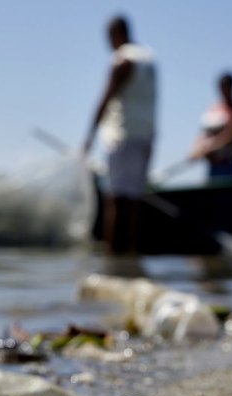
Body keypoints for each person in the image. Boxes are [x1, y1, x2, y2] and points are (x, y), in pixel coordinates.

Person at [83, 15, 156, 255]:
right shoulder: (149, 58)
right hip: (146, 136)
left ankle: (113, 262)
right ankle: (130, 260)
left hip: (122, 137)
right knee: (133, 203)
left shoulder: (122, 60)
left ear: (116, 34)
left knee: (115, 202)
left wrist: (90, 135)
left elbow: (106, 97)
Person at [191, 72, 232, 181]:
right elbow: (204, 133)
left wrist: (209, 148)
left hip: (228, 164)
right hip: (213, 166)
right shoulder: (213, 109)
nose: (224, 91)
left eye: (227, 87)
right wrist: (197, 149)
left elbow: (231, 135)